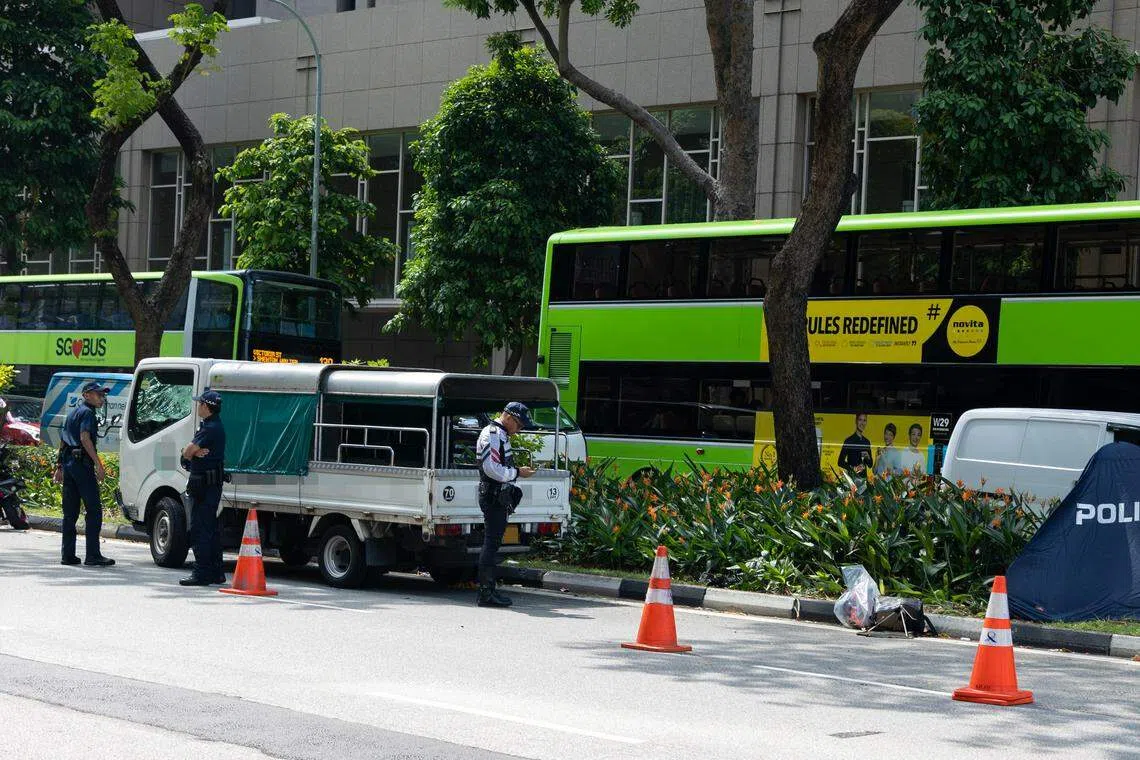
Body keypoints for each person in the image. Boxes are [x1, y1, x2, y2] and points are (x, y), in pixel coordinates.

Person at [474, 402, 536, 607]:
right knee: (491, 543)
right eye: (518, 425)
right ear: (508, 417)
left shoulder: (500, 435)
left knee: (494, 542)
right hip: (493, 495)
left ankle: (489, 590)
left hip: (498, 495)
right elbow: (492, 468)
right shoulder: (492, 434)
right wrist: (518, 472)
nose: (519, 430)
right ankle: (485, 592)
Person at [52, 381, 115, 567]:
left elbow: (63, 441)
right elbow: (84, 438)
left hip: (70, 464)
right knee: (94, 510)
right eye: (98, 394)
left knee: (70, 514)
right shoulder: (88, 412)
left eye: (103, 395)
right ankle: (93, 555)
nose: (101, 398)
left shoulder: (73, 413)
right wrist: (99, 464)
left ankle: (68, 555)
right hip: (82, 466)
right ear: (87, 395)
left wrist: (59, 466)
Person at [179, 389, 227, 587]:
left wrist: (191, 452)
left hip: (205, 487)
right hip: (209, 486)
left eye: (200, 403)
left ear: (206, 406)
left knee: (200, 530)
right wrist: (192, 452)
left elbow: (188, 452)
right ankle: (216, 572)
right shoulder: (213, 425)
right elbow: (190, 453)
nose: (198, 406)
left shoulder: (209, 428)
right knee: (210, 529)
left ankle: (201, 573)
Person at [837, 412, 873, 477]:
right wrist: (854, 468)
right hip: (852, 479)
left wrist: (868, 457)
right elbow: (840, 462)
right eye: (860, 420)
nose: (862, 423)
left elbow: (870, 465)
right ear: (856, 421)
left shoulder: (867, 442)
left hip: (863, 480)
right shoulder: (849, 440)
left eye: (864, 420)